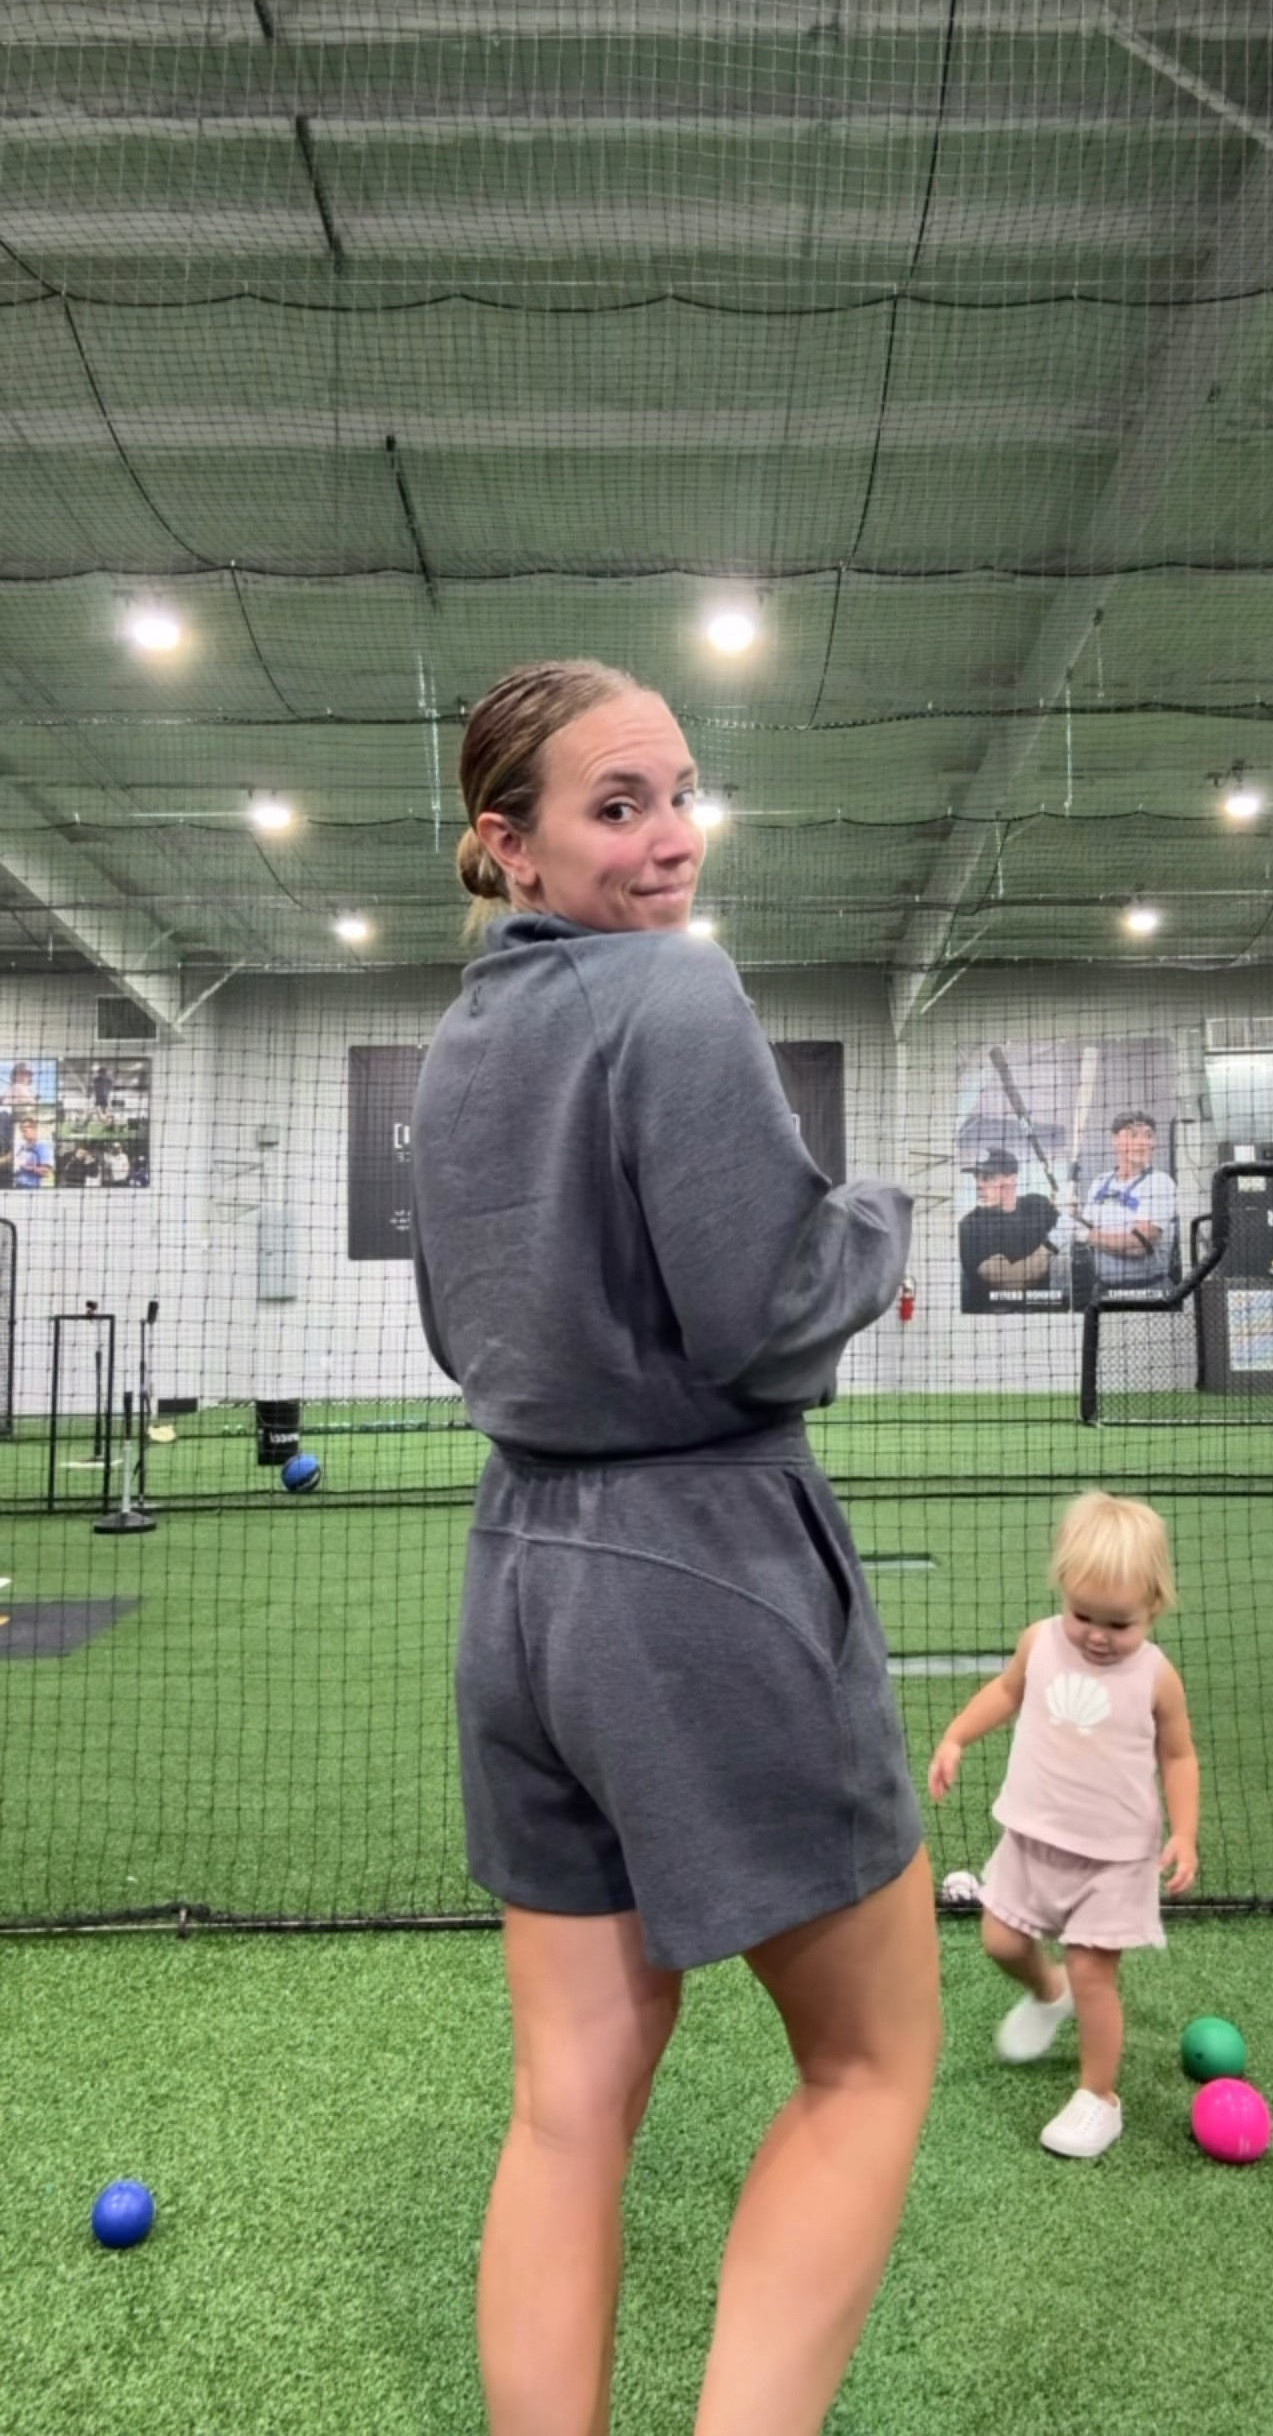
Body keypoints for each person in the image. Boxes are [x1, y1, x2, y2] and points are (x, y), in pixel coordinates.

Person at [409, 659, 940, 2436]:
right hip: (702, 1573)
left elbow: (455, 1331)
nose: (669, 841)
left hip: (519, 1589)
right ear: (514, 844)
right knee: (870, 2067)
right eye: (615, 806)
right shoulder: (675, 992)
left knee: (570, 2102)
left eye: (680, 794)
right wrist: (878, 1220)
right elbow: (768, 1313)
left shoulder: (465, 1039)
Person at [927, 1489, 1198, 2161]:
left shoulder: (1157, 1676)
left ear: (1153, 1609)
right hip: (1032, 1837)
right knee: (999, 1941)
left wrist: (1185, 1831)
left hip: (1112, 1858)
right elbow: (1006, 1694)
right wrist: (957, 1737)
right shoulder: (1040, 1643)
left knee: (1093, 1974)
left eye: (1120, 1622)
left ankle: (1099, 2099)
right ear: (1062, 1591)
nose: (1099, 1636)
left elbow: (1178, 1754)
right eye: (1083, 1615)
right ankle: (1046, 1994)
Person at [1081, 1110, 1179, 1292]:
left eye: (1148, 1135)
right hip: (1103, 1292)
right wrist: (1071, 1213)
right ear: (1115, 1140)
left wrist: (1091, 1236)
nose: (1142, 1142)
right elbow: (1080, 1230)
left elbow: (1139, 1245)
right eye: (1132, 1134)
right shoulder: (1099, 1183)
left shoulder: (1160, 1182)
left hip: (1149, 1292)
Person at [957, 1146, 1059, 1310]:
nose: (979, 1185)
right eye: (977, 1178)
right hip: (991, 1319)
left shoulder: (1036, 1205)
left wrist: (1067, 1205)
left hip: (1040, 1314)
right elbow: (1011, 1281)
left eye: (988, 1178)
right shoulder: (970, 1226)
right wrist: (1055, 1240)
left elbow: (1068, 1216)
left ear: (1012, 1179)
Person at [13, 1114, 54, 1188]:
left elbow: (46, 1172)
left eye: (24, 1131)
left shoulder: (43, 1147)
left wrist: (27, 1167)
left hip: (32, 1187)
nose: (22, 1133)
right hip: (17, 1185)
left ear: (34, 1129)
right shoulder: (21, 1147)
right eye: (21, 1131)